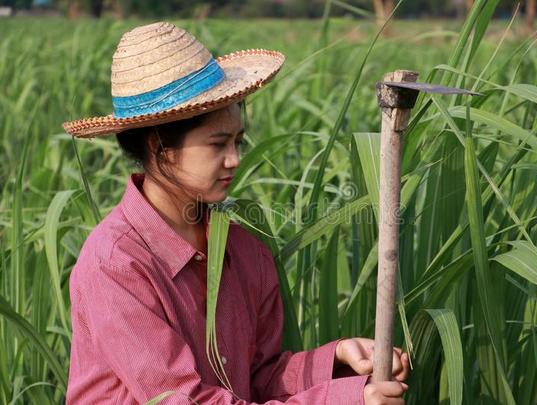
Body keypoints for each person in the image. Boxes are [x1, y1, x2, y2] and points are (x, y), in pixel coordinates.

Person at [63, 22, 409, 404]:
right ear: (158, 145)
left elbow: (256, 379)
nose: (234, 159)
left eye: (238, 141)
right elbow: (184, 400)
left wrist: (339, 358)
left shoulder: (244, 252)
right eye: (217, 144)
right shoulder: (115, 266)